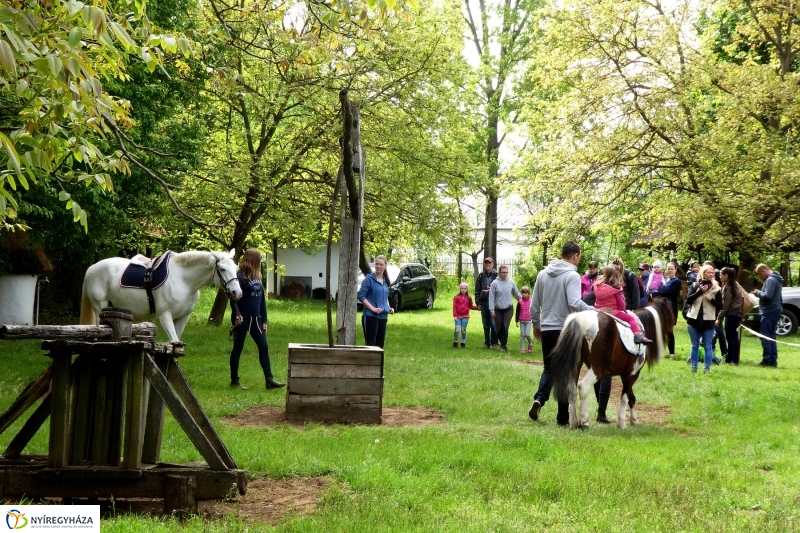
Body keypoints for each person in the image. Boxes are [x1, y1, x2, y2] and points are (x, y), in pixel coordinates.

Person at [529, 242, 594, 426]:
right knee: (566, 372)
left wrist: (536, 325)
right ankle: (562, 417)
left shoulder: (542, 274)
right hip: (566, 329)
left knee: (549, 368)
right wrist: (593, 310)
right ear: (575, 256)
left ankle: (540, 399)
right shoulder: (571, 275)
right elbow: (574, 302)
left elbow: (534, 306)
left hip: (547, 328)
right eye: (579, 257)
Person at [229, 248, 284, 390]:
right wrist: (237, 315)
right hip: (242, 319)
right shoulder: (239, 277)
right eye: (259, 259)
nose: (260, 261)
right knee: (238, 348)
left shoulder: (258, 276)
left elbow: (261, 301)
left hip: (256, 319)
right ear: (253, 259)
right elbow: (233, 299)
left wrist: (264, 320)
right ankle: (234, 380)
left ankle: (269, 380)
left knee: (264, 346)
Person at [593, 266, 652, 345]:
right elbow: (622, 307)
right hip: (613, 312)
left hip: (599, 311)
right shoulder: (616, 289)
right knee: (631, 318)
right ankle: (637, 335)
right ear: (617, 277)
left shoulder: (597, 287)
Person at [684, 264, 723, 373]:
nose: (711, 274)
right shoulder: (695, 285)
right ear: (703, 273)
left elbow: (721, 306)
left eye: (712, 273)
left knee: (708, 346)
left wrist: (712, 300)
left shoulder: (717, 289)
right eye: (708, 272)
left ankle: (707, 369)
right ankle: (694, 368)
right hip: (693, 320)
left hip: (708, 321)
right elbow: (688, 301)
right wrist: (699, 292)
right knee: (694, 345)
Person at [358, 255, 395, 348]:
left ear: (385, 266)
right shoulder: (369, 279)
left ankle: (378, 363)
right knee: (371, 345)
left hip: (383, 317)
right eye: (377, 264)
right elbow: (361, 296)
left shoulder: (385, 280)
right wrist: (373, 309)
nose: (378, 266)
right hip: (371, 316)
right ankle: (368, 363)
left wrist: (389, 307)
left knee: (380, 345)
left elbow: (384, 297)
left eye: (381, 264)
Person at [753, 263, 783, 367]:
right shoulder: (776, 278)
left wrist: (757, 293)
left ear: (763, 271)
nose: (761, 277)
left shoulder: (770, 280)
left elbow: (768, 296)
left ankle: (767, 359)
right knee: (771, 336)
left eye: (760, 274)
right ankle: (773, 360)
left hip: (769, 311)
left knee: (764, 335)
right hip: (775, 310)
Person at [650, 262, 682, 359]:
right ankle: (659, 351)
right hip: (660, 308)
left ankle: (672, 353)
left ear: (675, 270)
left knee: (669, 331)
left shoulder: (677, 282)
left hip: (670, 309)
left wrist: (656, 294)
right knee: (659, 330)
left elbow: (670, 293)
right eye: (668, 269)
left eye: (672, 269)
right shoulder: (663, 280)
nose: (670, 270)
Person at [489, 265, 521, 353]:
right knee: (498, 328)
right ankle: (502, 341)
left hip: (508, 309)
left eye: (506, 272)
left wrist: (525, 302)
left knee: (505, 326)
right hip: (498, 309)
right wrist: (492, 310)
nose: (505, 274)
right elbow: (491, 298)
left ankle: (503, 345)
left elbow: (517, 294)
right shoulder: (494, 283)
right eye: (503, 272)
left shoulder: (511, 282)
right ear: (499, 273)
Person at [715, 267, 743, 365]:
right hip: (732, 314)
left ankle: (734, 359)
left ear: (726, 276)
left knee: (732, 337)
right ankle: (729, 358)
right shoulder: (731, 284)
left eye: (721, 275)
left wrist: (719, 318)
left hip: (733, 315)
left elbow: (726, 305)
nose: (719, 276)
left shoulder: (729, 287)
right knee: (730, 337)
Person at [475, 258, 499, 349]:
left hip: (494, 303)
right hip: (484, 302)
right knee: (485, 324)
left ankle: (495, 342)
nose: (488, 264)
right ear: (484, 264)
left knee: (493, 323)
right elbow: (477, 290)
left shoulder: (497, 275)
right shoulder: (480, 276)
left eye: (490, 263)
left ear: (493, 264)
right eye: (486, 263)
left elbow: (500, 289)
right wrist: (478, 302)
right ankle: (487, 342)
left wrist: (491, 291)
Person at [452, 282, 478, 348]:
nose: (463, 290)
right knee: (457, 329)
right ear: (460, 289)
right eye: (462, 288)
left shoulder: (469, 298)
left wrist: (478, 308)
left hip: (465, 316)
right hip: (458, 316)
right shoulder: (456, 297)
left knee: (463, 330)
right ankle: (455, 341)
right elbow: (454, 307)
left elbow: (471, 306)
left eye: (465, 289)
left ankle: (463, 342)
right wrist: (455, 315)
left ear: (467, 289)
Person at [515, 286, 534, 354]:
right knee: (522, 335)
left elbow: (533, 310)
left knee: (527, 334)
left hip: (529, 320)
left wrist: (534, 319)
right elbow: (517, 311)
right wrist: (516, 321)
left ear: (528, 293)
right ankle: (522, 348)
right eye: (523, 293)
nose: (524, 294)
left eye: (526, 293)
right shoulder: (520, 302)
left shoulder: (531, 301)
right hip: (522, 320)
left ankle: (530, 344)